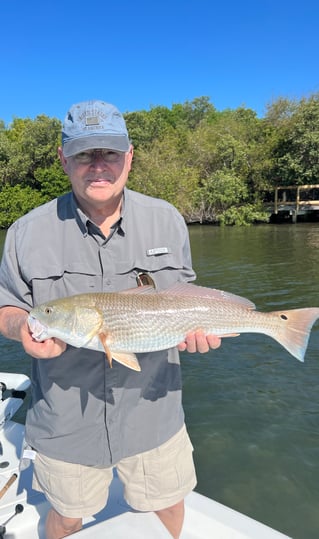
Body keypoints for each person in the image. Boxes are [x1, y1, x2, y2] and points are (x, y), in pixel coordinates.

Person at [0, 100, 221, 539]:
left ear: (130, 157)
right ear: (63, 159)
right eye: (84, 154)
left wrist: (199, 331)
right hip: (65, 421)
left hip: (154, 412)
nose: (98, 166)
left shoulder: (168, 220)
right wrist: (21, 329)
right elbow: (7, 306)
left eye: (110, 154)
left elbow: (186, 294)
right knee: (65, 516)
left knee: (167, 507)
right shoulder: (26, 231)